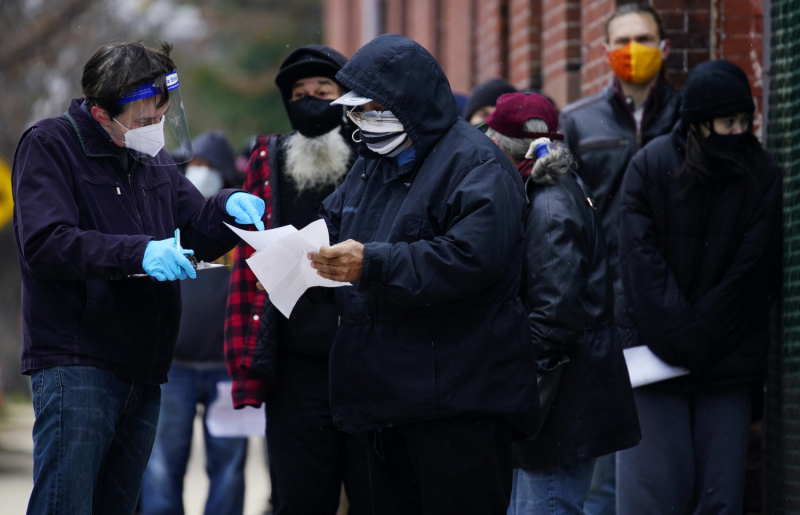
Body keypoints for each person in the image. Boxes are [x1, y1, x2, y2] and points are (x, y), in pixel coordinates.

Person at [11, 41, 265, 515]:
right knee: (65, 502)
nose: (155, 130)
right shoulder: (50, 145)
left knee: (120, 506)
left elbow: (193, 226)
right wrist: (140, 251)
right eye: (144, 120)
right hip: (77, 361)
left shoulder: (153, 160)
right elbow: (47, 243)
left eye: (161, 117)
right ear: (101, 113)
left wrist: (227, 207)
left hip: (144, 369)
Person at [307, 33, 539, 514]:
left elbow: (468, 259)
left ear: (405, 102)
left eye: (370, 109)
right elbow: (332, 225)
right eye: (354, 112)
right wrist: (294, 256)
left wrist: (370, 264)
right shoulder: (373, 164)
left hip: (459, 400)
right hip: (388, 397)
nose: (361, 123)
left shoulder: (476, 163)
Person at [615, 60, 782, 514]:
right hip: (659, 364)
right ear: (699, 121)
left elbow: (752, 272)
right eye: (728, 122)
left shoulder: (761, 174)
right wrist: (687, 336)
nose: (739, 131)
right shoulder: (650, 167)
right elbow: (639, 264)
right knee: (650, 498)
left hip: (720, 366)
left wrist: (692, 336)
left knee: (718, 497)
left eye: (745, 121)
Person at [224, 44, 371, 515]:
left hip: (366, 360)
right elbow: (248, 250)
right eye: (299, 93)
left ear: (343, 96)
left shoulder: (371, 155)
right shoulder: (268, 156)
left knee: (375, 492)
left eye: (323, 91)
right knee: (300, 495)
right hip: (295, 363)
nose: (310, 100)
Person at [483, 91, 640, 514]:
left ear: (499, 144)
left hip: (559, 404)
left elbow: (554, 318)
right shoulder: (548, 190)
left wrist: (512, 376)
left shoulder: (547, 202)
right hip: (560, 396)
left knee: (546, 506)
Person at [558, 3, 680, 512]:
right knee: (605, 470)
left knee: (666, 464)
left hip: (672, 304)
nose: (635, 51)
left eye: (645, 39)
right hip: (604, 309)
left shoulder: (686, 115)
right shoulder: (578, 122)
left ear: (665, 47)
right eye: (624, 40)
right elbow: (564, 219)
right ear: (605, 51)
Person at [141, 130, 248, 515]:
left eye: (209, 166)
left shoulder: (241, 223)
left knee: (230, 467)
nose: (200, 173)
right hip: (174, 368)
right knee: (161, 467)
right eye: (195, 165)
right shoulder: (171, 217)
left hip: (228, 369)